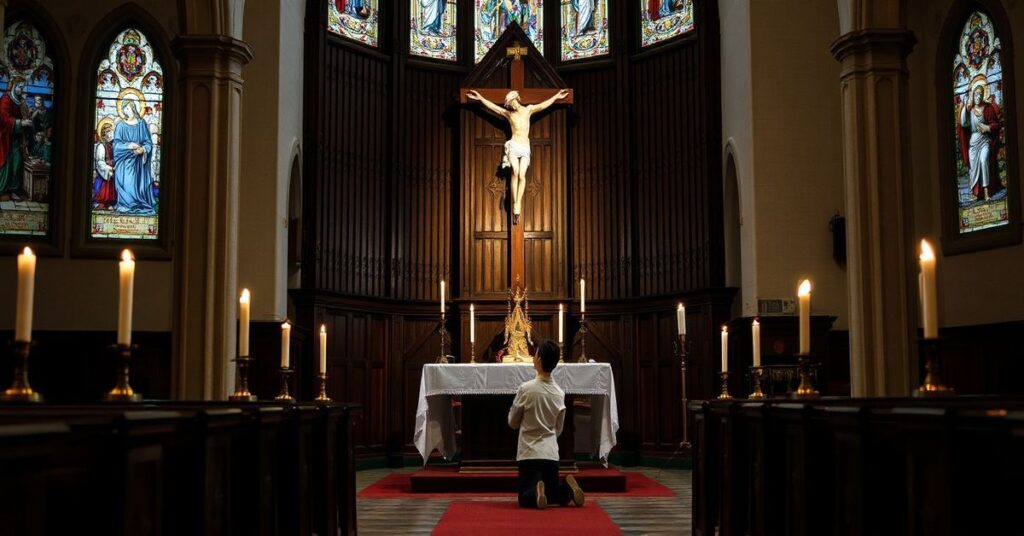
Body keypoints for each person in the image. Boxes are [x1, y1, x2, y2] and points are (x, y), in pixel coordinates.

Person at [466, 87, 569, 225]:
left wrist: (556, 96)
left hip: (525, 146)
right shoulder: (509, 114)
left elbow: (543, 105)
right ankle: (516, 204)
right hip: (514, 145)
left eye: (511, 102)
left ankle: (518, 202)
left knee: (522, 175)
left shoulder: (528, 110)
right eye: (509, 103)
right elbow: (493, 107)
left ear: (516, 99)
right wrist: (480, 98)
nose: (510, 105)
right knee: (515, 171)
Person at [507, 339, 585, 509]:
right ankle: (567, 490)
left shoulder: (526, 389)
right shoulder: (559, 392)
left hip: (529, 453)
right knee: (554, 494)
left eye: (535, 354)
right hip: (550, 454)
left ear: (539, 360)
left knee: (524, 498)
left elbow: (512, 422)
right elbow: (559, 428)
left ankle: (536, 491)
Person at [958, 83, 1003, 201]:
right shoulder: (970, 110)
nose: (978, 97)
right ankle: (975, 193)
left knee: (984, 161)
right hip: (973, 142)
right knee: (973, 168)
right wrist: (965, 105)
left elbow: (996, 124)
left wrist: (987, 127)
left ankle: (987, 192)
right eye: (976, 95)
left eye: (980, 95)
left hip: (985, 141)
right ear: (973, 95)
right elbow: (964, 123)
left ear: (983, 96)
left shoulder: (987, 108)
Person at [112, 96, 157, 214]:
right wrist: (129, 145)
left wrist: (143, 149)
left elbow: (148, 143)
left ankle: (138, 205)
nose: (126, 111)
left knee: (135, 185)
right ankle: (126, 206)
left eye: (127, 108)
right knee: (127, 183)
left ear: (133, 107)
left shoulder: (141, 124)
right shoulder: (121, 126)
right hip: (124, 162)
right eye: (124, 109)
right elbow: (116, 145)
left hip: (138, 164)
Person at [0, 77, 33, 200]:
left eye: (22, 87)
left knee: (17, 162)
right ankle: (2, 190)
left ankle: (14, 190)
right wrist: (20, 123)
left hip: (16, 138)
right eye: (19, 87)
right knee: (6, 163)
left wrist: (27, 119)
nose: (21, 89)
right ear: (13, 86)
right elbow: (3, 118)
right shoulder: (6, 99)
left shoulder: (20, 101)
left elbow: (25, 114)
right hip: (5, 137)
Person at [93, 122, 117, 209]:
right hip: (104, 173)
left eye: (112, 132)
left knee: (111, 190)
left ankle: (109, 203)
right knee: (102, 190)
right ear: (104, 133)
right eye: (109, 132)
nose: (111, 134)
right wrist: (108, 168)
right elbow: (99, 161)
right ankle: (100, 203)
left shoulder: (111, 145)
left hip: (111, 171)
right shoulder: (101, 146)